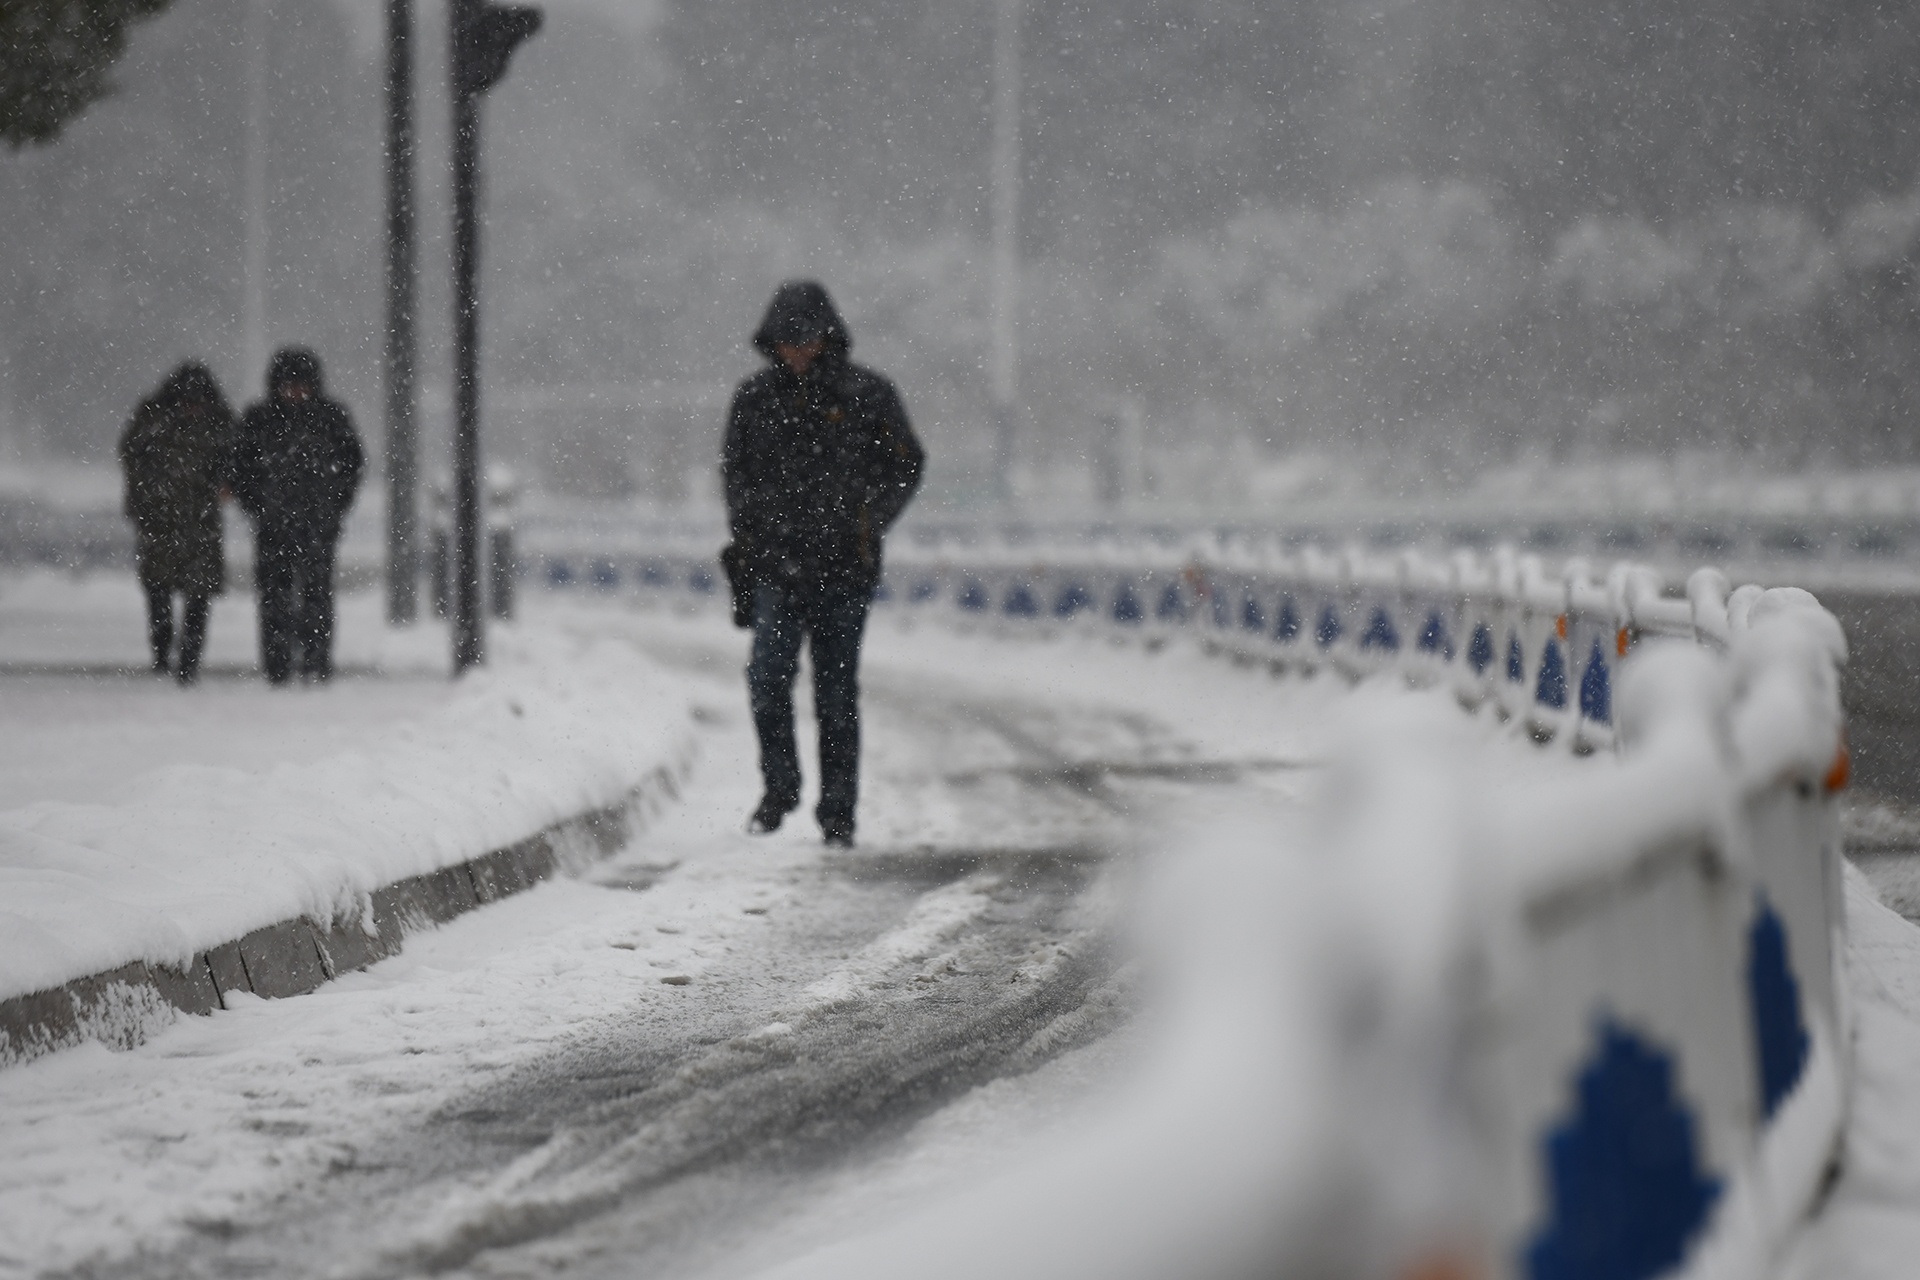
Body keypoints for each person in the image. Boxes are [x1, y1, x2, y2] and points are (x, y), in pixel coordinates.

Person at [722, 280, 924, 847]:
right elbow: (734, 473)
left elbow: (907, 462)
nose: (797, 351)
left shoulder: (869, 395)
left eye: (806, 339)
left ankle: (838, 814)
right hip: (775, 567)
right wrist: (751, 534)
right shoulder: (754, 399)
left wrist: (869, 519)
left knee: (836, 695)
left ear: (827, 336)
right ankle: (779, 789)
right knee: (767, 680)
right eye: (787, 341)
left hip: (845, 570)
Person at [232, 347, 364, 685]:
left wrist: (333, 506)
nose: (295, 393)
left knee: (315, 595)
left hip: (315, 523)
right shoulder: (262, 419)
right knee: (276, 596)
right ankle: (278, 663)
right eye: (289, 385)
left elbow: (351, 466)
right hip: (275, 525)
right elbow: (240, 469)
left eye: (300, 385)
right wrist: (259, 507)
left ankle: (315, 660)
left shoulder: (329, 419)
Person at [119, 362, 235, 685]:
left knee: (197, 596)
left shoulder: (216, 426)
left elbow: (235, 464)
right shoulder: (156, 423)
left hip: (197, 522)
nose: (191, 409)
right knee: (160, 593)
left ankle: (188, 661)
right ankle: (163, 654)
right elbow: (133, 459)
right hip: (162, 519)